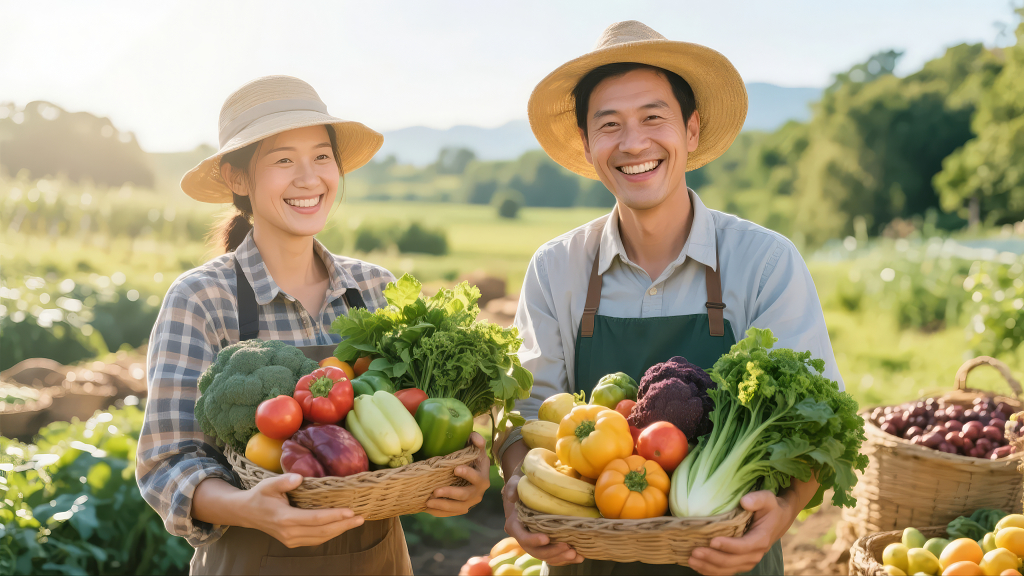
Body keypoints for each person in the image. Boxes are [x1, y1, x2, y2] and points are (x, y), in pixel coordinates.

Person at [498, 21, 843, 576]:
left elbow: (814, 423)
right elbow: (527, 416)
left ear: (692, 129)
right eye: (609, 125)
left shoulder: (766, 263)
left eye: (653, 118)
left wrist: (781, 512)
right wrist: (519, 492)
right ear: (588, 146)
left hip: (727, 558)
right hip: (587, 558)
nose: (633, 143)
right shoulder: (556, 268)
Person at [136, 75, 491, 575]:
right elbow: (167, 463)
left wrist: (460, 474)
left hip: (378, 561)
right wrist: (249, 509)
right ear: (238, 180)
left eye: (322, 157)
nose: (309, 178)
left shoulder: (374, 289)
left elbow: (421, 424)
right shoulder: (201, 298)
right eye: (283, 160)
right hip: (250, 557)